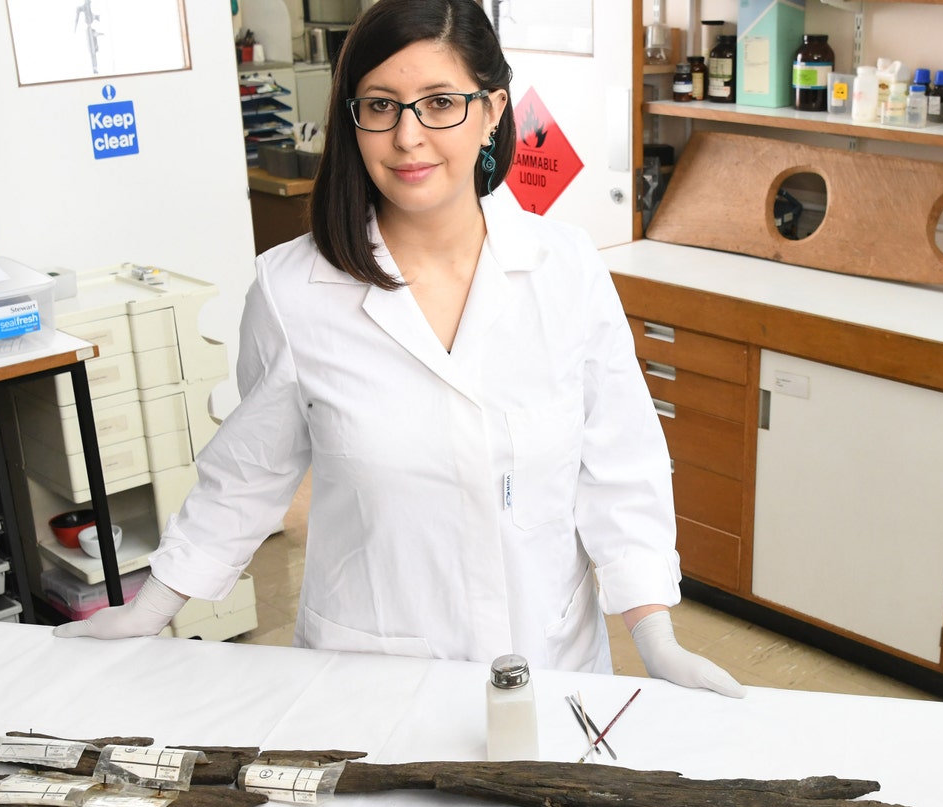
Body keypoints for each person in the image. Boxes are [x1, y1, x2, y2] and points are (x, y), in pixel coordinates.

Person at [56, 0, 743, 697]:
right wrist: (152, 609)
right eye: (380, 106)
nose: (409, 136)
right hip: (371, 676)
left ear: (493, 109)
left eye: (440, 102)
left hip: (551, 662)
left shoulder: (564, 268)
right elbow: (246, 476)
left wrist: (655, 638)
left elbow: (621, 463)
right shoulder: (294, 290)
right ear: (352, 120)